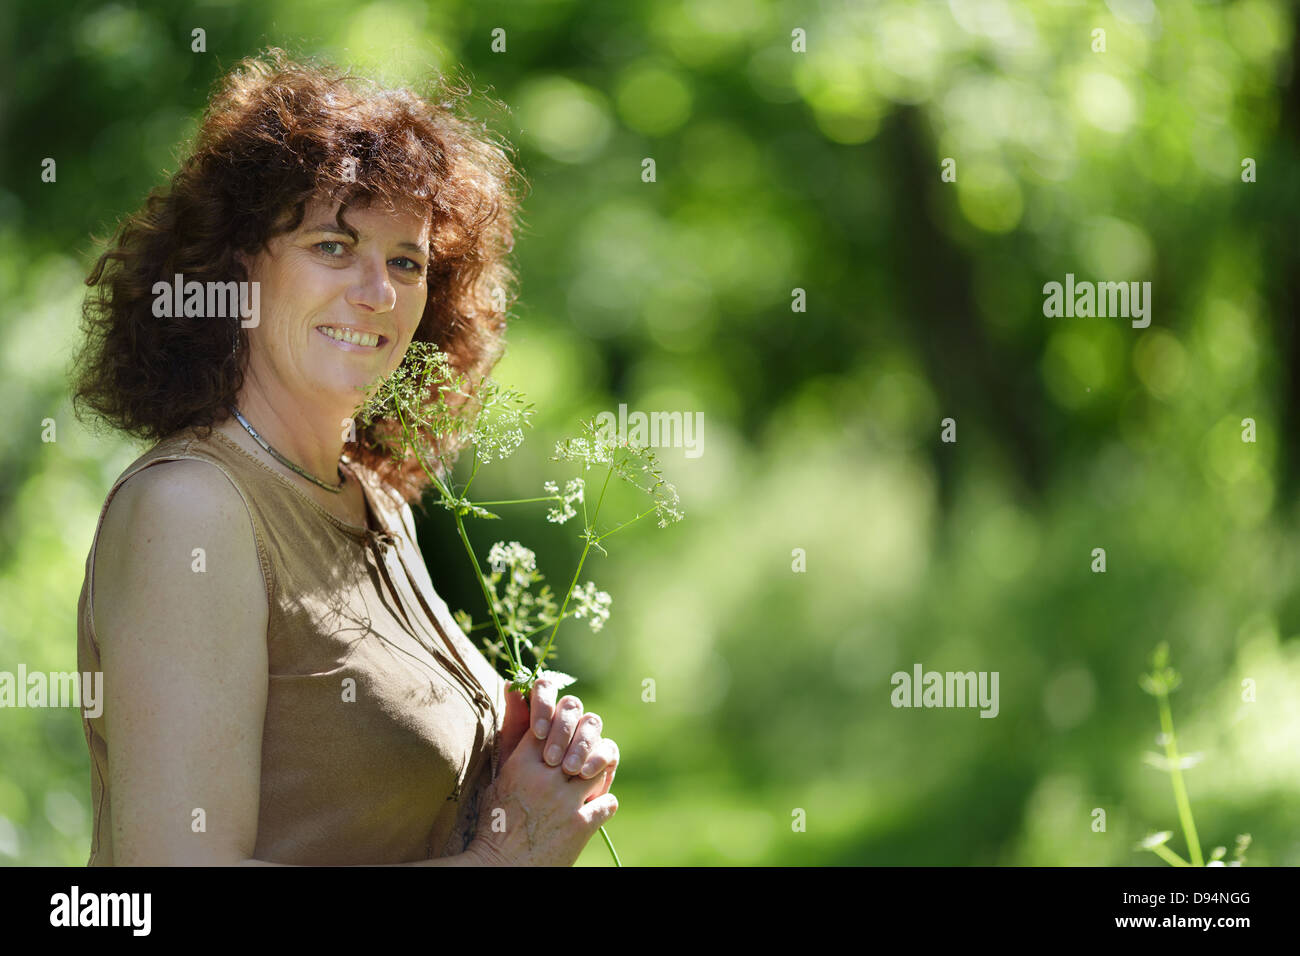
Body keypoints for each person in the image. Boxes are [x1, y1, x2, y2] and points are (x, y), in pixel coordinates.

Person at [68, 48, 619, 866]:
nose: (378, 293)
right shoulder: (192, 511)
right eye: (333, 245)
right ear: (239, 266)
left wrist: (507, 782)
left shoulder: (375, 501)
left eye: (407, 262)